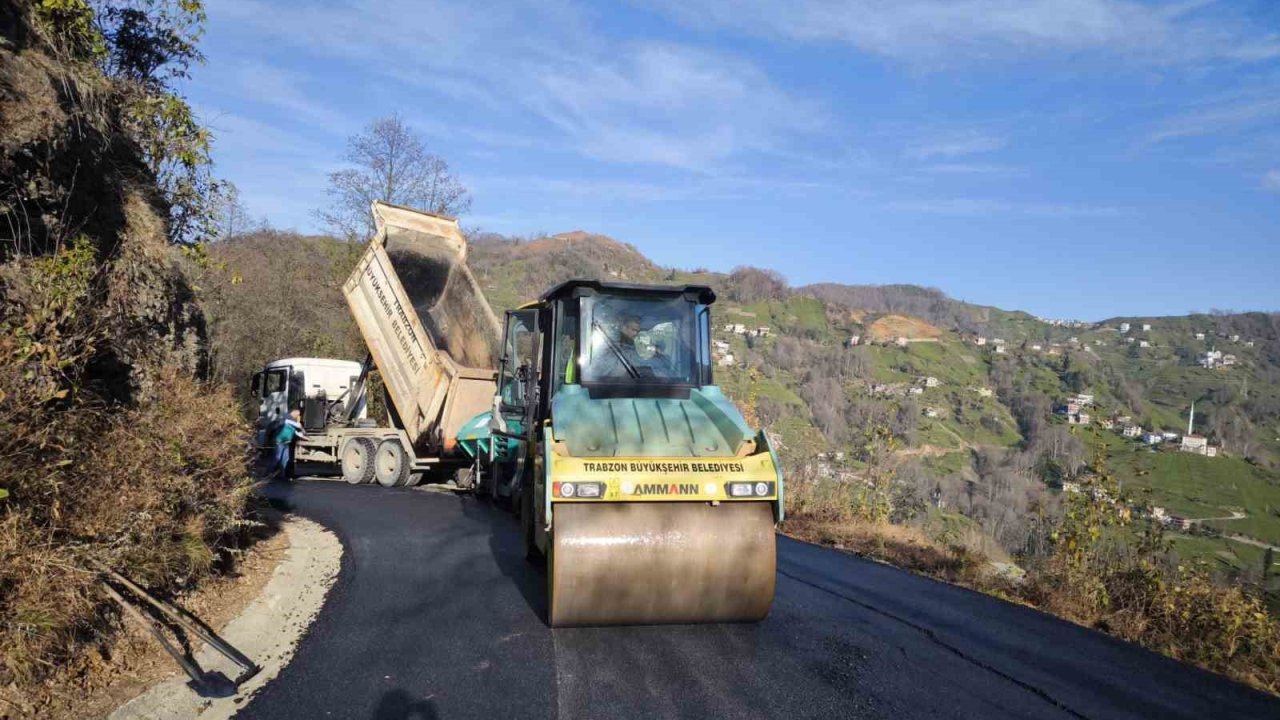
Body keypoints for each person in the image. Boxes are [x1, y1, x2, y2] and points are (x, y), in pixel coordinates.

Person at [272, 409, 308, 481]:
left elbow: (298, 433)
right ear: (294, 413)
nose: (298, 417)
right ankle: (269, 473)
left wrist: (307, 438)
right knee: (278, 458)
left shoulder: (292, 424)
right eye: (298, 415)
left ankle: (282, 475)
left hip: (286, 442)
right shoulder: (286, 419)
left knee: (286, 459)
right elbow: (297, 426)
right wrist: (299, 424)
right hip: (280, 441)